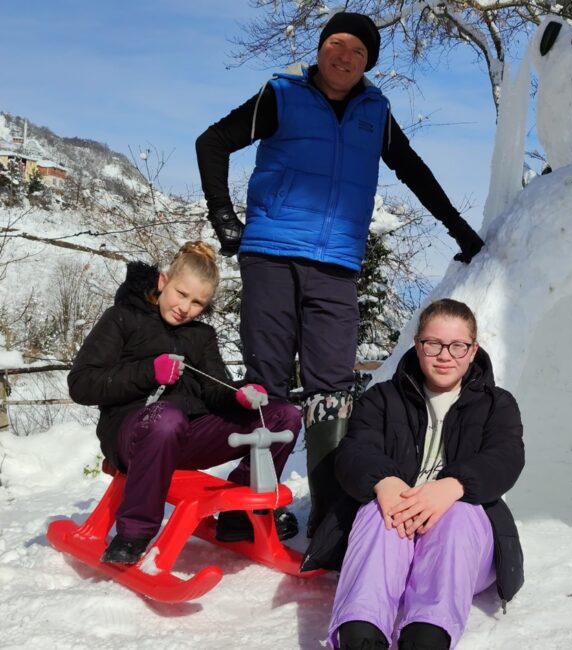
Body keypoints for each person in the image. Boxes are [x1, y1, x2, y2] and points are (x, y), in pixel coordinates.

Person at [195, 11, 486, 536]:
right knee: (268, 387)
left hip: (336, 265)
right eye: (335, 42)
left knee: (332, 391)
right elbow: (211, 142)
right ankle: (246, 508)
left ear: (368, 61)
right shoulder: (281, 95)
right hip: (272, 255)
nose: (344, 54)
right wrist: (224, 217)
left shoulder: (375, 111)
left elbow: (414, 171)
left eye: (357, 48)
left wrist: (459, 230)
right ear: (321, 48)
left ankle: (331, 518)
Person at [299, 299, 524, 650]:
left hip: (463, 549)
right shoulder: (382, 399)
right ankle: (360, 633)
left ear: (472, 350)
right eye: (433, 344)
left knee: (461, 513)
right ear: (417, 345)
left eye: (457, 346)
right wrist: (384, 481)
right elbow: (355, 451)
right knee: (376, 510)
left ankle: (427, 637)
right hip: (393, 537)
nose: (444, 355)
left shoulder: (497, 404)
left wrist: (454, 485)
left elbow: (506, 457)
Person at [68, 241, 301, 565]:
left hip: (188, 434)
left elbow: (213, 390)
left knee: (282, 416)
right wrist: (148, 372)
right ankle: (133, 535)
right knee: (166, 418)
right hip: (130, 432)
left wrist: (239, 394)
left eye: (197, 303)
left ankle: (240, 518)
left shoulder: (201, 336)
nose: (185, 307)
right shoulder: (123, 318)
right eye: (181, 294)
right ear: (163, 282)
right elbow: (80, 385)